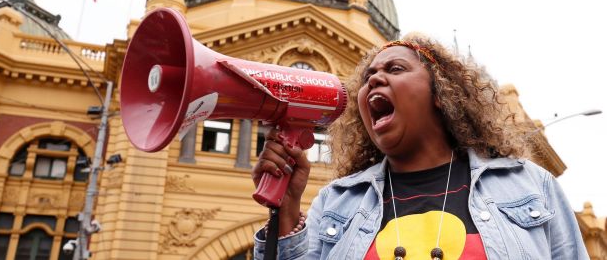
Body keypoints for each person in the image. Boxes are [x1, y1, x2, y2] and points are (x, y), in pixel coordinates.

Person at [252, 32, 589, 260]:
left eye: (395, 68)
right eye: (368, 76)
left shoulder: (531, 186)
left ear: (441, 95)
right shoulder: (336, 201)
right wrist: (286, 211)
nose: (374, 79)